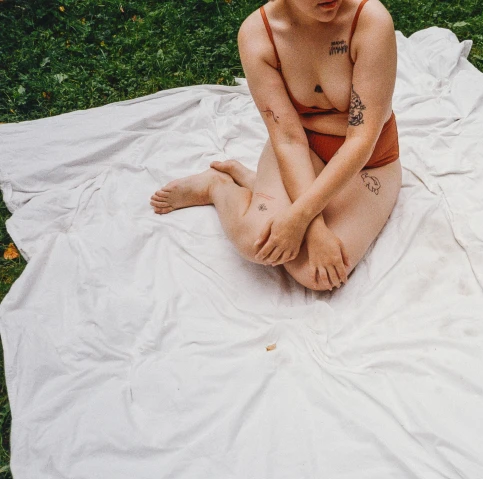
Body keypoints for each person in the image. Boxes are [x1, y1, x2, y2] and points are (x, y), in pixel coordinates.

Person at [149, 0, 401, 292]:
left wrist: (301, 218)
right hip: (303, 149)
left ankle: (254, 183)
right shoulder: (259, 34)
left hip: (369, 162)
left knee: (316, 275)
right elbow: (288, 139)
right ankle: (217, 187)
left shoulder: (369, 20)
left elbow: (362, 139)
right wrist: (313, 226)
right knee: (258, 242)